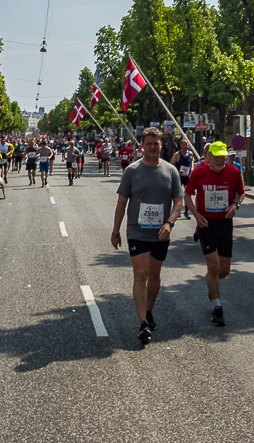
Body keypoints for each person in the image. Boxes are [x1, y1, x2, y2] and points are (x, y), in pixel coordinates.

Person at [111, 127, 183, 346]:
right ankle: (143, 323)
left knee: (155, 273)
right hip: (137, 231)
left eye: (156, 144)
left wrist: (170, 223)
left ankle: (148, 310)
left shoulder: (171, 171)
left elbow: (178, 201)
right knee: (140, 274)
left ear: (162, 145)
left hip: (161, 232)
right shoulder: (132, 171)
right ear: (142, 146)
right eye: (149, 143)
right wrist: (115, 231)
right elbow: (122, 202)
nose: (153, 147)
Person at [184, 140, 245, 326]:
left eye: (223, 157)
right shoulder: (199, 173)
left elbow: (240, 193)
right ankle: (217, 307)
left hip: (225, 223)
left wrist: (235, 205)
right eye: (216, 157)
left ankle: (212, 284)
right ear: (208, 156)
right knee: (212, 266)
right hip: (206, 224)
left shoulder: (233, 172)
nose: (220, 160)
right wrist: (196, 215)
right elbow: (186, 195)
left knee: (224, 270)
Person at [170, 138, 194, 220]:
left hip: (187, 177)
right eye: (183, 145)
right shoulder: (177, 154)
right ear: (181, 145)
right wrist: (177, 171)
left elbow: (192, 162)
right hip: (179, 177)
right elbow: (171, 165)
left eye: (186, 144)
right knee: (178, 195)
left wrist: (192, 169)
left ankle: (186, 212)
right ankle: (178, 211)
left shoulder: (190, 154)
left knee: (187, 194)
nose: (185, 146)